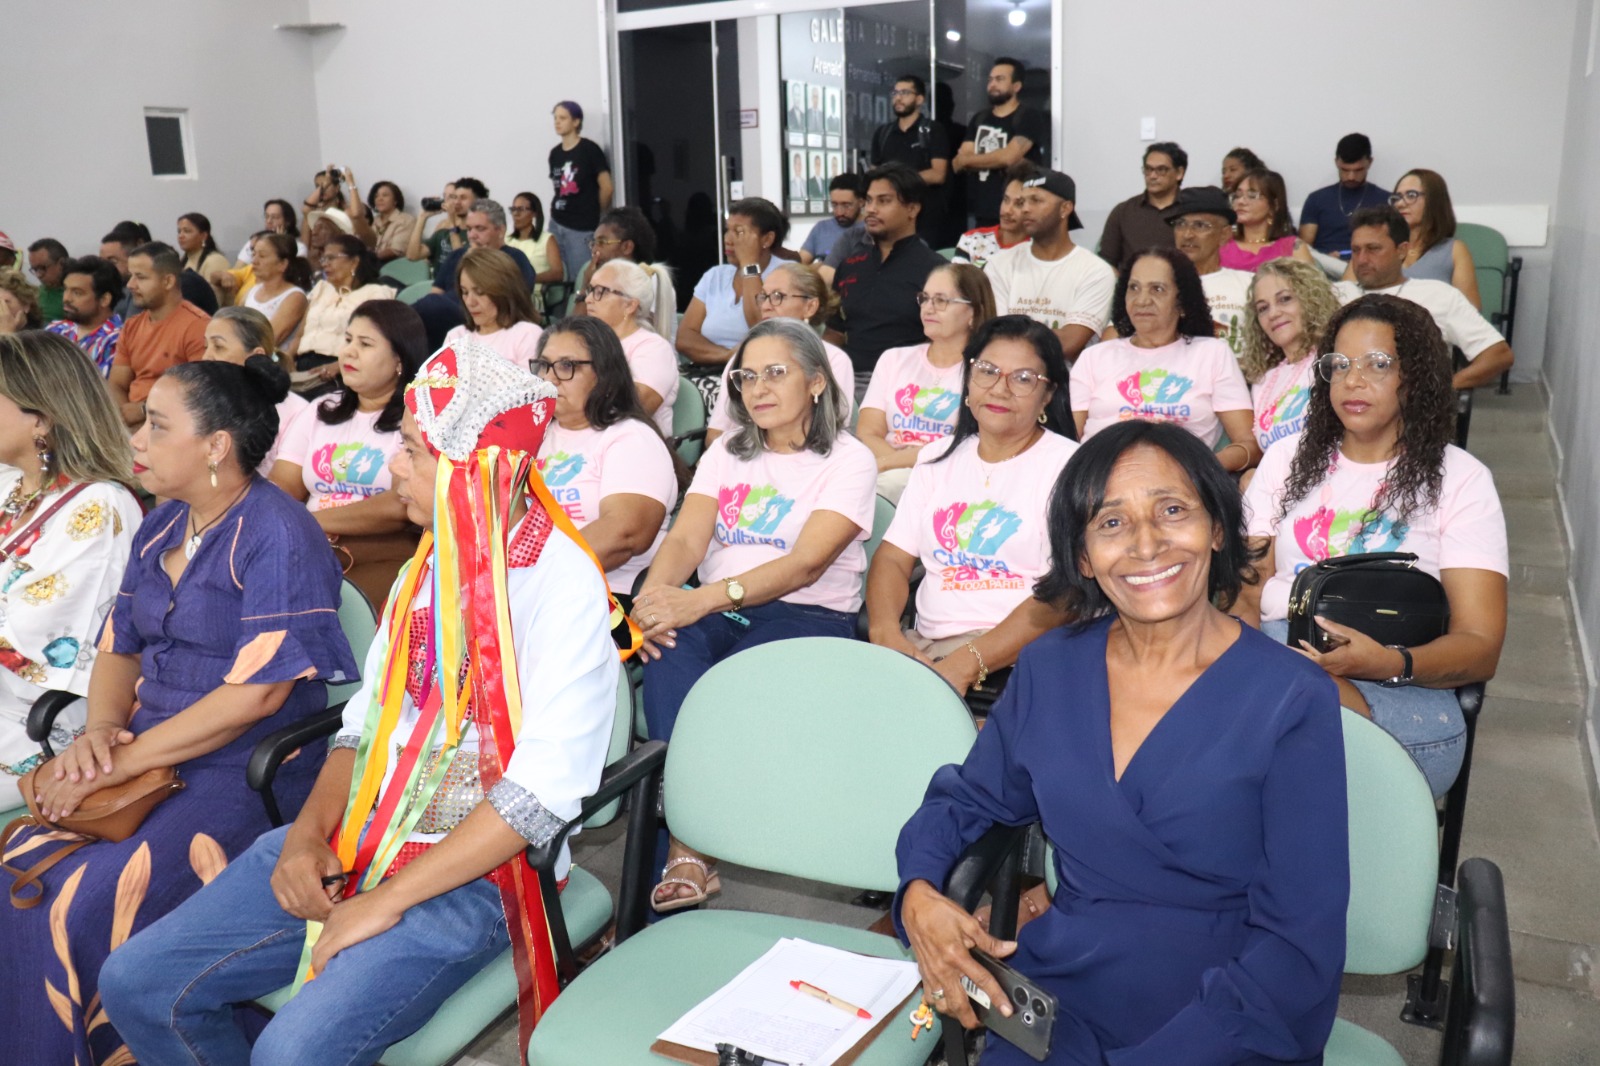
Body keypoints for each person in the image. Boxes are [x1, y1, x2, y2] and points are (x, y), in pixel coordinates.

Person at [102, 341, 621, 1066]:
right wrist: (309, 837)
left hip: (475, 874)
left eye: (412, 449)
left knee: (290, 1053)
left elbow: (539, 795)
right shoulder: (430, 562)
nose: (392, 467)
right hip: (357, 837)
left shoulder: (560, 584)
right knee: (136, 983)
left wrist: (386, 901)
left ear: (475, 470)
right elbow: (364, 727)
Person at [895, 419, 1348, 1065]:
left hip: (1226, 1018)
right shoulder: (1050, 667)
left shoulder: (1292, 696)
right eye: (1110, 523)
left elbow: (1300, 940)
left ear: (1218, 528)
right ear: (1081, 556)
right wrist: (919, 891)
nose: (1146, 543)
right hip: (1063, 996)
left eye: (1172, 510)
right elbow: (966, 801)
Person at [0, 354, 358, 1066]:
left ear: (216, 445)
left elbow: (258, 693)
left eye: (157, 426)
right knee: (18, 868)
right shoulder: (163, 525)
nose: (135, 437)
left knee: (84, 900)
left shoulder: (278, 534)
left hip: (244, 773)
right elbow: (118, 648)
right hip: (149, 750)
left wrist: (122, 758)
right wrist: (101, 732)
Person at [634, 318, 875, 911]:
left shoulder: (848, 460)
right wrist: (652, 602)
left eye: (776, 373)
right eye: (745, 376)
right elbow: (686, 542)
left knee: (719, 678)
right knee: (666, 646)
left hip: (806, 616)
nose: (758, 389)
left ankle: (684, 851)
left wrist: (694, 600)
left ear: (816, 383)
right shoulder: (725, 451)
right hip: (719, 608)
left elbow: (804, 566)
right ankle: (688, 854)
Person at [1240, 294, 1508, 797]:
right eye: (1338, 364)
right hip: (1278, 661)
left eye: (1378, 364)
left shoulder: (1460, 480)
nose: (1352, 380)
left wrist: (1385, 663)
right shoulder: (1284, 461)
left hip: (1398, 689)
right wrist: (1254, 664)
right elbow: (1245, 593)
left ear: (1417, 375)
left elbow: (1480, 648)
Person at [867, 315, 1077, 695]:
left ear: (1049, 395)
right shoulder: (936, 458)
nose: (1000, 388)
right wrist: (886, 634)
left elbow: (1064, 593)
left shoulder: (1070, 467)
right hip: (926, 652)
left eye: (1024, 378)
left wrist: (968, 663)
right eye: (988, 371)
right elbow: (893, 559)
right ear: (967, 379)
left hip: (1024, 658)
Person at [0, 331, 142, 801]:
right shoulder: (11, 484)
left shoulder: (101, 505)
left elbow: (43, 644)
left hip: (40, 723)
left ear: (41, 417)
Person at [271, 300, 427, 608]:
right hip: (311, 544)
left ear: (399, 359)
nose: (349, 352)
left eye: (365, 344)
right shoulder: (321, 409)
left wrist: (308, 521)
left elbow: (398, 505)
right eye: (347, 340)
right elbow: (281, 486)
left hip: (382, 552)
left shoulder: (416, 417)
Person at [1071, 248, 1258, 472]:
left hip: (1181, 482)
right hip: (1101, 477)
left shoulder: (1212, 354)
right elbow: (1068, 441)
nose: (1142, 300)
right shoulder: (1095, 357)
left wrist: (1203, 471)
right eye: (1134, 288)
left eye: (1157, 289)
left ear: (1182, 302)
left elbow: (1249, 445)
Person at [535, 318, 678, 601]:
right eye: (543, 365)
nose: (550, 378)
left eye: (566, 366)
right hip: (537, 590)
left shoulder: (630, 438)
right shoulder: (533, 437)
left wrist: (533, 574)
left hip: (609, 596)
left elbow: (624, 535)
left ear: (604, 373)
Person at [1335, 206, 1514, 390]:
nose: (1362, 259)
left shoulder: (1438, 295)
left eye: (1373, 249)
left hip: (1409, 409)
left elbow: (1498, 354)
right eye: (1356, 250)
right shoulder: (1336, 295)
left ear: (1402, 250)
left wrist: (1440, 390)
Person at [858, 263, 995, 502]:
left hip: (946, 476)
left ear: (973, 312)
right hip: (887, 474)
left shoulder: (985, 372)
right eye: (924, 298)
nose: (928, 308)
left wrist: (889, 465)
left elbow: (962, 444)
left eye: (941, 300)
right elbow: (867, 431)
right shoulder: (894, 359)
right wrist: (894, 467)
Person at [825, 163, 947, 393]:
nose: (871, 209)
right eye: (868, 201)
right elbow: (835, 332)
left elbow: (946, 341)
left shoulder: (937, 271)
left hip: (910, 382)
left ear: (912, 209)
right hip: (848, 380)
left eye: (883, 201)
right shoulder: (850, 265)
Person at [705, 262, 856, 448]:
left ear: (810, 307)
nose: (766, 306)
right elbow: (715, 434)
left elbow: (832, 432)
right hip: (745, 456)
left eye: (778, 296)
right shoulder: (744, 358)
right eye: (764, 297)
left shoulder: (833, 360)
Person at [984, 167, 1115, 364]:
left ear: (1065, 208)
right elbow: (996, 335)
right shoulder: (999, 264)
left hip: (1066, 385)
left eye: (1036, 200)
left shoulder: (1095, 271)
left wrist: (1015, 336)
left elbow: (1069, 343)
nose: (1025, 208)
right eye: (1023, 201)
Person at [1243, 259, 1341, 455]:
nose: (1273, 313)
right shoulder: (1263, 381)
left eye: (1285, 299)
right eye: (1263, 308)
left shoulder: (1336, 360)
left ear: (1311, 300)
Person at [111, 242, 210, 427]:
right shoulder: (131, 326)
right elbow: (117, 384)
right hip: (130, 428)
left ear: (168, 281)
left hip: (173, 426)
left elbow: (200, 391)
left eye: (140, 277)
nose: (131, 285)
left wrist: (143, 410)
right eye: (131, 275)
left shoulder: (198, 326)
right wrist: (124, 416)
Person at [678, 198, 787, 365]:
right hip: (714, 372)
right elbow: (684, 338)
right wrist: (729, 357)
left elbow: (763, 329)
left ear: (767, 240)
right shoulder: (715, 276)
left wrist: (750, 265)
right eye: (727, 231)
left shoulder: (787, 275)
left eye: (739, 232)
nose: (728, 239)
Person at [206, 305, 310, 472]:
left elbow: (285, 487)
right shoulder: (202, 403)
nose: (206, 357)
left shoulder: (297, 412)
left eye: (218, 347)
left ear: (256, 356)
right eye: (206, 346)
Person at [584, 259, 680, 435]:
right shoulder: (584, 344)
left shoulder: (654, 349)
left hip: (635, 446)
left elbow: (633, 408)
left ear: (630, 305)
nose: (588, 299)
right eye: (590, 290)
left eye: (600, 292)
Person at [952, 58, 1046, 227]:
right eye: (990, 80)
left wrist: (970, 160)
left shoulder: (1028, 116)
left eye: (1000, 79)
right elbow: (958, 163)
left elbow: (1009, 157)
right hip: (982, 212)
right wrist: (995, 160)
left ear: (1016, 86)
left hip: (1019, 212)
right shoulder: (979, 118)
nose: (992, 84)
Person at [1162, 185, 1252, 360]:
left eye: (1200, 225)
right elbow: (1117, 335)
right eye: (1180, 224)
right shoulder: (1155, 284)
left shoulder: (1249, 284)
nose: (1187, 234)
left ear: (1225, 235)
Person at [287, 235, 396, 373]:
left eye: (331, 258)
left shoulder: (375, 294)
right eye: (324, 258)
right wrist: (289, 358)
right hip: (302, 365)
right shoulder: (322, 288)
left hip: (341, 368)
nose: (325, 263)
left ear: (354, 262)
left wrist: (339, 366)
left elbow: (374, 341)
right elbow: (300, 335)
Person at [871, 74, 953, 244]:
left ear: (919, 99)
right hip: (890, 217)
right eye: (895, 93)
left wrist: (899, 181)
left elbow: (938, 174)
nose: (898, 98)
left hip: (926, 218)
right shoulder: (883, 133)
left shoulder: (932, 130)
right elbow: (875, 174)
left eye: (905, 93)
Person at [1390, 168, 1481, 306]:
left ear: (1434, 200)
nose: (1401, 204)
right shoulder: (1381, 246)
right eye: (1397, 197)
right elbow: (1346, 296)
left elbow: (1470, 312)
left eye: (1411, 195)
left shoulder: (1454, 250)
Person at [443, 247, 545, 367]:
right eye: (465, 292)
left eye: (480, 292)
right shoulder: (455, 336)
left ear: (504, 291)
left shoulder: (527, 334)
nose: (470, 302)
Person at [549, 100, 615, 280]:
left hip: (581, 225)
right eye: (555, 118)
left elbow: (607, 187)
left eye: (562, 118)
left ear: (576, 121)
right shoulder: (555, 153)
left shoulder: (589, 150)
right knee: (559, 276)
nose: (557, 122)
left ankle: (581, 308)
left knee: (581, 276)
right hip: (557, 221)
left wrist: (595, 211)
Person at [1299, 133, 1391, 259]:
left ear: (1370, 162)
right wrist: (1325, 258)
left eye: (1358, 170)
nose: (1351, 177)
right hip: (1323, 266)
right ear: (1336, 162)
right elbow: (1304, 247)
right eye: (1345, 170)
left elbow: (1390, 244)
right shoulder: (1317, 199)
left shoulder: (1386, 200)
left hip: (1368, 263)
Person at [1098, 143, 1185, 269]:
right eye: (1148, 169)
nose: (1153, 176)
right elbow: (1106, 263)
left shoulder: (1190, 211)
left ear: (1179, 173)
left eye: (1161, 170)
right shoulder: (1123, 212)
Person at [571, 205, 665, 317]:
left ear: (627, 247)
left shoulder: (649, 282)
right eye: (593, 243)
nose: (595, 250)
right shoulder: (601, 283)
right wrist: (586, 286)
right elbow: (575, 330)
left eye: (602, 242)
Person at [432, 199, 538, 298]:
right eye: (469, 229)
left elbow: (513, 302)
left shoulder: (515, 259)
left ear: (501, 230)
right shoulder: (456, 255)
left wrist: (473, 260)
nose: (472, 235)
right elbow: (435, 295)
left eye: (480, 229)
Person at [46, 255, 125, 376]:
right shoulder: (55, 329)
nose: (66, 298)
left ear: (104, 299)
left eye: (77, 293)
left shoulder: (118, 340)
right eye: (65, 289)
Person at [1221, 169, 1315, 271]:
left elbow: (1311, 285)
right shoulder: (1221, 243)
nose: (1241, 201)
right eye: (1238, 195)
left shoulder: (1292, 247)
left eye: (1252, 196)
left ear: (1274, 206)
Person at [237, 232, 311, 348]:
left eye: (262, 256)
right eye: (254, 254)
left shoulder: (295, 297)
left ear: (282, 264)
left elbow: (270, 339)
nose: (254, 261)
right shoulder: (252, 291)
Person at [406, 177, 485, 273]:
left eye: (463, 198)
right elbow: (412, 256)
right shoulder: (442, 232)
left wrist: (452, 222)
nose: (457, 202)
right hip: (438, 286)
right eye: (455, 197)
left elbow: (460, 263)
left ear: (478, 202)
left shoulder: (477, 235)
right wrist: (422, 218)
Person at [952, 177, 1028, 268]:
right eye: (1006, 200)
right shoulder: (971, 240)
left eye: (1019, 204)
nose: (1008, 210)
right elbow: (957, 281)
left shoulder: (1038, 251)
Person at [507, 191, 564, 311]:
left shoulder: (547, 239)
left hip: (533, 296)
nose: (515, 214)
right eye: (513, 209)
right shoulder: (507, 240)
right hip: (507, 293)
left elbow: (558, 273)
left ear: (534, 213)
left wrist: (527, 279)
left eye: (521, 209)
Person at [800, 173, 866, 266]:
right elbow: (800, 265)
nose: (839, 212)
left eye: (846, 205)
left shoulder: (870, 229)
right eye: (834, 205)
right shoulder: (821, 228)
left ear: (861, 202)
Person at [177, 213, 231, 308]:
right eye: (179, 231)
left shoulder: (215, 260)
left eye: (187, 231)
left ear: (203, 236)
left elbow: (214, 301)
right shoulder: (183, 261)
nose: (181, 236)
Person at [101, 222, 150, 322]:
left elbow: (130, 332)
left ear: (133, 260)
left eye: (112, 261)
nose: (105, 267)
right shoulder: (104, 290)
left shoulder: (136, 292)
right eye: (102, 262)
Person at [233, 199, 306, 263]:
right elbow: (238, 268)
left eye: (275, 217)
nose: (269, 221)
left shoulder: (299, 247)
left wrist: (281, 243)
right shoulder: (255, 242)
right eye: (267, 216)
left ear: (287, 222)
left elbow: (293, 273)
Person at [362, 180, 415, 262]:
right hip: (372, 264)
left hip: (394, 266)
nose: (380, 199)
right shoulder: (375, 220)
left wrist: (370, 259)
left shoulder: (406, 220)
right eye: (376, 196)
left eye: (385, 195)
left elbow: (396, 250)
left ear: (395, 200)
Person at [26, 237, 68, 322]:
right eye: (35, 270)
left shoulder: (79, 295)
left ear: (61, 264)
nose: (38, 275)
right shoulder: (35, 295)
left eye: (42, 268)